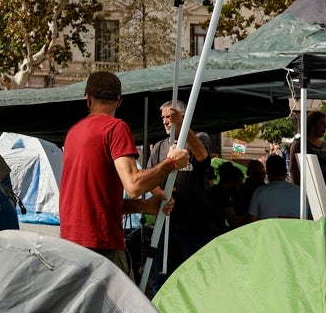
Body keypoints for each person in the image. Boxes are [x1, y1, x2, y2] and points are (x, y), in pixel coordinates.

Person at [60, 72, 189, 277]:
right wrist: (171, 163)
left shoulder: (73, 133)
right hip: (101, 246)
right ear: (119, 101)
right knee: (122, 308)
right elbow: (134, 185)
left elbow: (94, 202)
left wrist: (144, 206)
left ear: (88, 97)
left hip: (70, 243)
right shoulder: (115, 128)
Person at [145, 99, 214, 271]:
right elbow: (149, 178)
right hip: (166, 217)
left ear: (183, 116)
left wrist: (183, 127)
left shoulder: (199, 138)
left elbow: (202, 156)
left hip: (193, 219)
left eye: (169, 117)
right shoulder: (160, 147)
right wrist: (161, 194)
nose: (165, 121)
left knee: (191, 269)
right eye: (163, 117)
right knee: (162, 270)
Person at [248, 154, 300, 221]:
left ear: (268, 173)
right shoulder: (300, 192)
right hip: (296, 230)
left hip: (267, 231)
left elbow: (253, 221)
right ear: (285, 172)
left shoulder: (259, 192)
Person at [208, 162, 246, 231]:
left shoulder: (214, 190)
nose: (239, 189)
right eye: (239, 185)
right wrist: (250, 214)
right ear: (231, 181)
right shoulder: (222, 195)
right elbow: (233, 221)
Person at [235, 159, 266, 224]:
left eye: (263, 174)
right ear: (248, 173)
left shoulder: (266, 189)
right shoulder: (242, 191)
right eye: (257, 174)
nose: (260, 177)